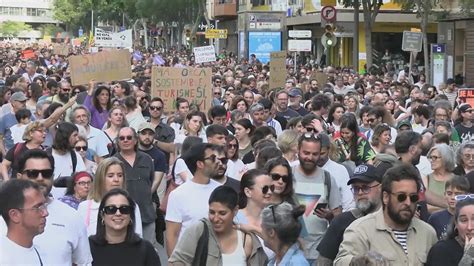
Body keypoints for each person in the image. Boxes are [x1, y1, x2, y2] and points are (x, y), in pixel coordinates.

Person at [334, 163, 437, 265]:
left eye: (413, 197)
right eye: (401, 197)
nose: (408, 203)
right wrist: (359, 261)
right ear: (385, 197)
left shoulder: (428, 233)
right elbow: (341, 262)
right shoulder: (361, 230)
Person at [15, 149, 93, 265]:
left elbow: (84, 262)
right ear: (19, 177)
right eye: (33, 173)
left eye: (46, 173)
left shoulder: (71, 216)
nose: (40, 178)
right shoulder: (4, 215)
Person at [169, 186, 268, 265]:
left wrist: (254, 229)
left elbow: (278, 246)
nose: (215, 219)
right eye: (212, 212)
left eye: (222, 213)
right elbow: (176, 261)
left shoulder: (246, 240)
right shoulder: (198, 230)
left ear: (235, 211)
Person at [317, 164, 386, 265]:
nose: (360, 193)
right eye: (356, 188)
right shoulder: (342, 222)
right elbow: (323, 261)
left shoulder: (392, 220)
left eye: (365, 187)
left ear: (380, 188)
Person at [292, 132, 342, 262]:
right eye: (306, 153)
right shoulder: (288, 175)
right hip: (291, 252)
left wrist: (330, 215)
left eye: (314, 154)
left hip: (318, 253)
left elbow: (338, 215)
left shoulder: (327, 178)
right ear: (298, 151)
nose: (310, 157)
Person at [165, 143, 221, 256]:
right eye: (212, 158)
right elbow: (172, 235)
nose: (218, 162)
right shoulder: (178, 195)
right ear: (200, 164)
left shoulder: (220, 190)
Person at [89, 188, 161, 266]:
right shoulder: (88, 247)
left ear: (131, 215)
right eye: (111, 209)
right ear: (102, 215)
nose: (118, 213)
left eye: (124, 209)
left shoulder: (146, 249)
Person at [114, 127, 158, 246]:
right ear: (118, 141)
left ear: (135, 140)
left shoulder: (147, 159)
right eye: (122, 138)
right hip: (122, 216)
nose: (125, 140)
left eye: (129, 137)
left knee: (148, 252)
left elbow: (151, 180)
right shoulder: (113, 162)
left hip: (146, 215)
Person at [77, 157, 143, 236]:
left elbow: (138, 238)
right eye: (110, 176)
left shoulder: (132, 206)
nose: (116, 179)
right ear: (100, 179)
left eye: (120, 175)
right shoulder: (85, 207)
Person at [0, 179, 48, 265]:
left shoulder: (41, 253)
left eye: (44, 206)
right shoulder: (3, 258)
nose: (45, 213)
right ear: (14, 215)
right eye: (37, 207)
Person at [426, 195, 474, 265]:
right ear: (456, 224)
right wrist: (468, 257)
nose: (469, 227)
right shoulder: (441, 250)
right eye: (464, 220)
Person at [50, 122, 87, 198]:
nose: (77, 139)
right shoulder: (47, 155)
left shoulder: (75, 156)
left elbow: (82, 177)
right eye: (74, 135)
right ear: (65, 136)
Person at [423, 143, 456, 212]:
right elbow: (425, 206)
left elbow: (459, 205)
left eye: (435, 157)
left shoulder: (456, 179)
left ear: (445, 158)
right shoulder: (427, 179)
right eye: (431, 157)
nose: (432, 160)